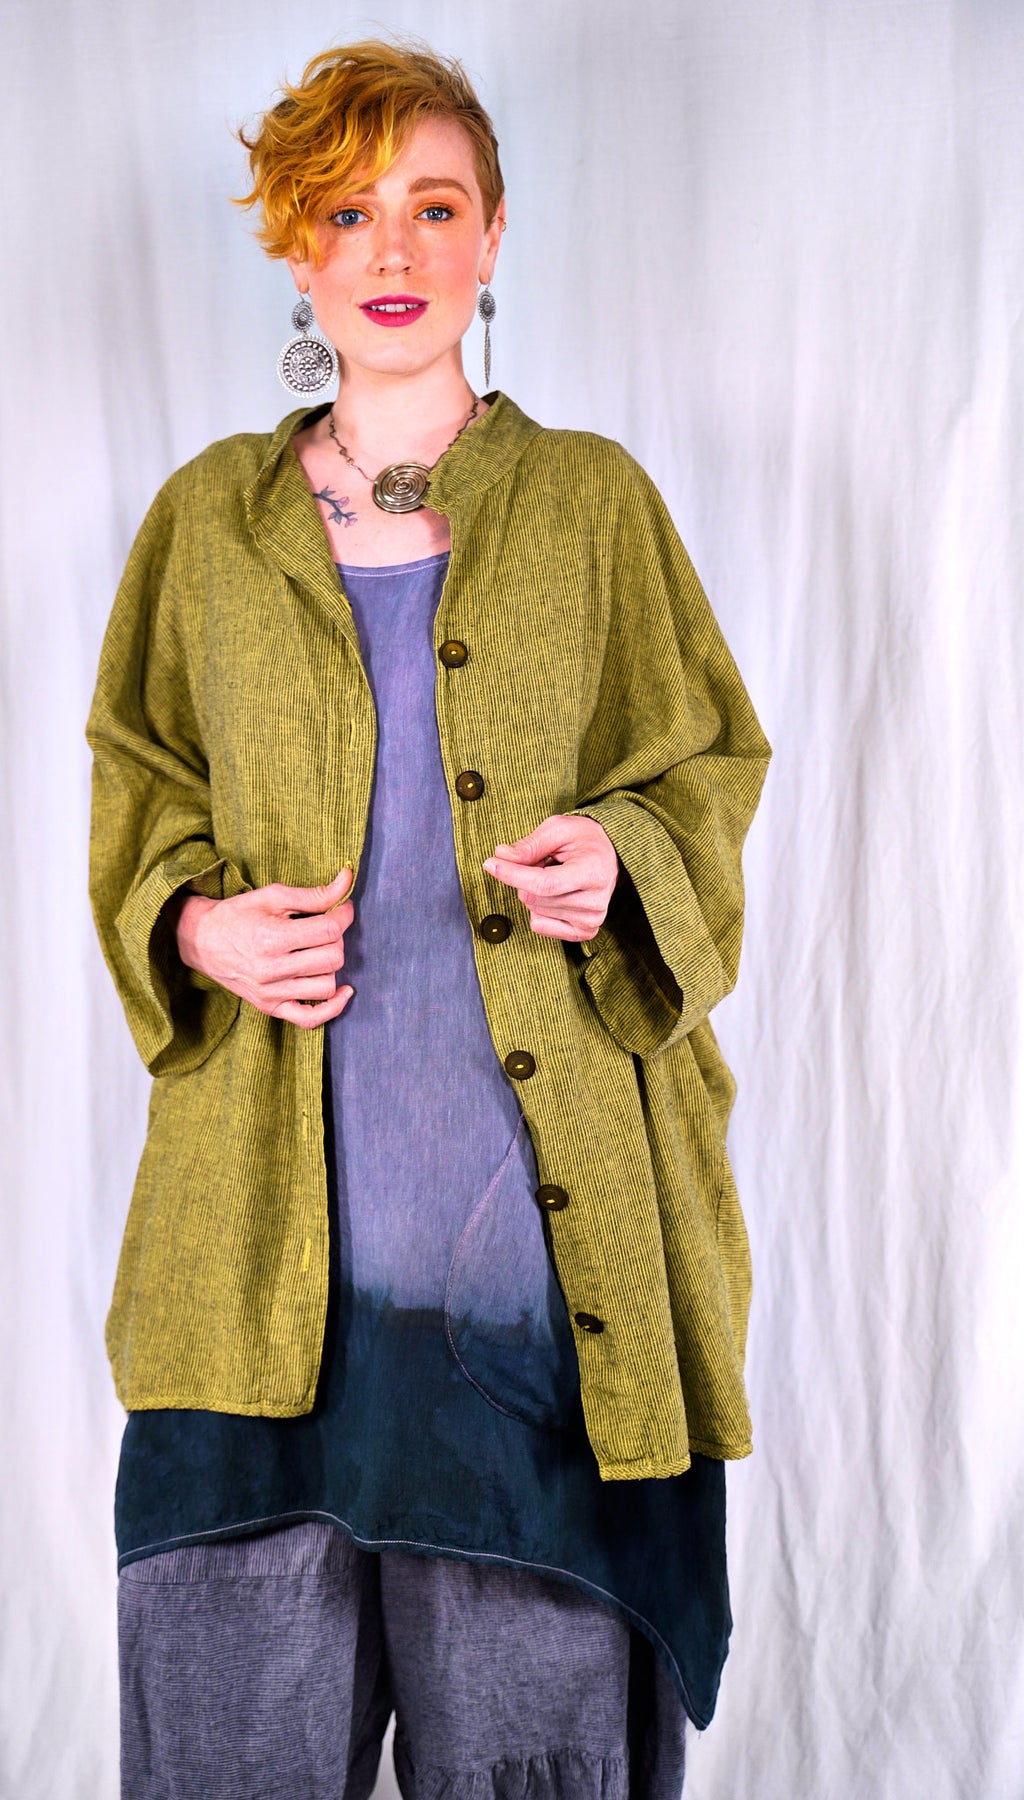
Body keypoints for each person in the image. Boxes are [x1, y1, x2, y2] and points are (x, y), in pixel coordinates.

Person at [85, 34, 772, 1800]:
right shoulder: (207, 526)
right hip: (251, 1286)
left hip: (533, 1309)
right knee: (232, 1752)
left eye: (434, 207)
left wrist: (623, 854)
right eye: (346, 212)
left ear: (493, 237)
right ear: (297, 254)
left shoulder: (596, 504)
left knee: (538, 1760)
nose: (391, 249)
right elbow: (138, 787)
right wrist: (195, 928)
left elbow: (707, 764)